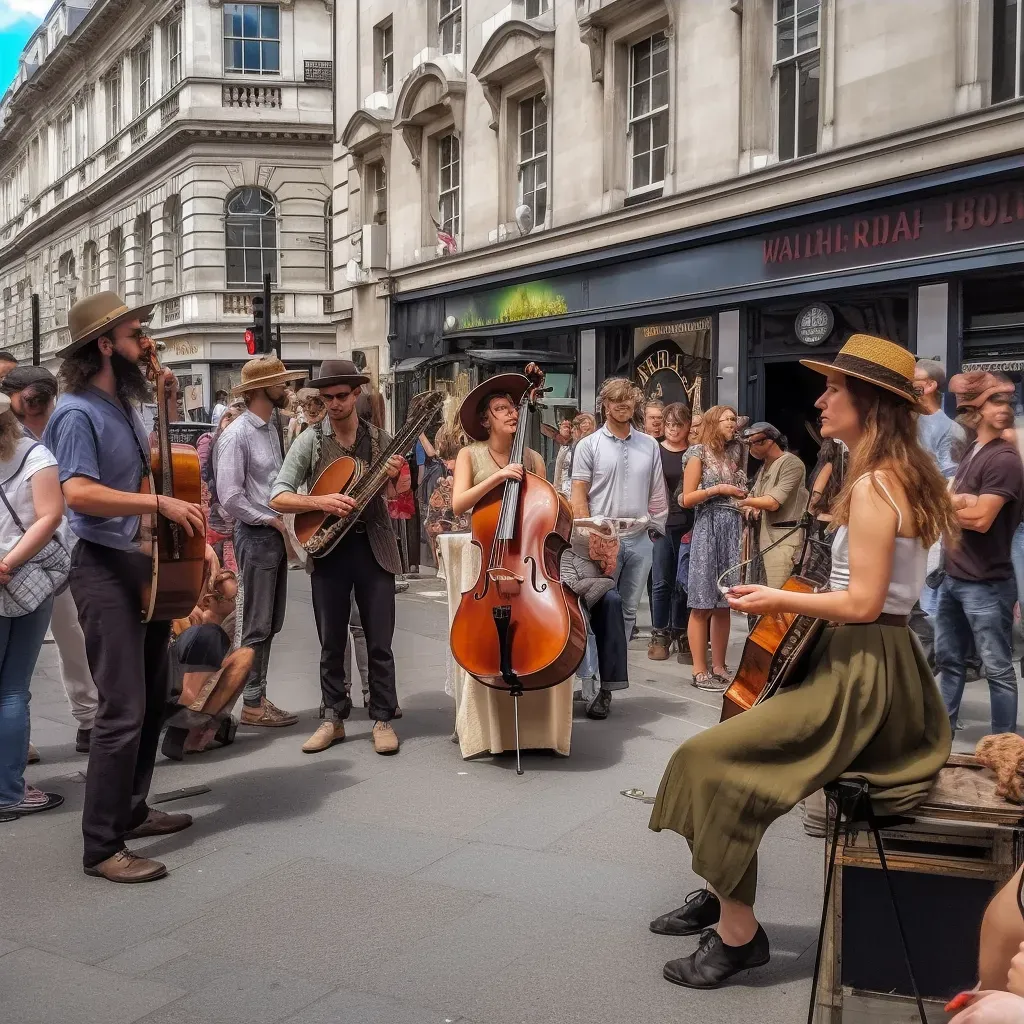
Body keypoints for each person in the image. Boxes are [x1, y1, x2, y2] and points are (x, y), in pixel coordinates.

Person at [649, 333, 957, 988]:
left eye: (835, 389)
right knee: (724, 746)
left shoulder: (876, 484)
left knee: (710, 761)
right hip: (871, 662)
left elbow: (867, 601)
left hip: (862, 672)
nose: (821, 399)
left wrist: (772, 597)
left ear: (867, 402)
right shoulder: (891, 475)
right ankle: (721, 889)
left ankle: (738, 936)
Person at [44, 291, 207, 882]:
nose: (147, 345)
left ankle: (133, 810)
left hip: (141, 562)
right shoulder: (75, 412)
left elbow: (148, 470)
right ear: (106, 345)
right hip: (102, 567)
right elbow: (79, 492)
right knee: (121, 709)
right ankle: (101, 845)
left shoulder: (123, 406)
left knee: (157, 695)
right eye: (137, 335)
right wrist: (157, 500)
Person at [451, 367, 625, 742]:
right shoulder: (471, 454)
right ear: (485, 419)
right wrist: (498, 477)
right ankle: (479, 723)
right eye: (501, 408)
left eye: (514, 407)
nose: (512, 412)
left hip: (528, 565)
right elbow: (458, 505)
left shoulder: (533, 458)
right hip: (490, 561)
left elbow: (548, 518)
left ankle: (541, 723)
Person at [270, 360, 405, 756]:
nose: (334, 404)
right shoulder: (310, 441)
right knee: (331, 640)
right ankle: (333, 717)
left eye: (341, 396)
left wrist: (396, 477)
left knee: (379, 639)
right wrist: (318, 500)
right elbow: (277, 494)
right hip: (328, 551)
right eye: (326, 398)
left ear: (356, 394)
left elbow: (397, 497)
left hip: (374, 548)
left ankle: (381, 716)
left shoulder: (382, 439)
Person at [2, 366, 97, 753]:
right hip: (30, 553)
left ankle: (88, 717)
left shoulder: (67, 425)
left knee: (70, 634)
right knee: (14, 676)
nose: (33, 411)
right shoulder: (17, 437)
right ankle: (14, 749)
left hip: (55, 556)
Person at [570, 377, 668, 718]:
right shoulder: (589, 445)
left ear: (635, 404)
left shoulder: (649, 445)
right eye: (615, 400)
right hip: (600, 538)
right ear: (605, 405)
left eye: (627, 400)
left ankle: (608, 683)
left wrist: (655, 529)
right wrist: (588, 533)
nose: (622, 405)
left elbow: (657, 492)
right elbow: (579, 494)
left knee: (627, 613)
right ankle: (590, 683)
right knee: (596, 609)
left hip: (639, 537)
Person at [217, 356, 304, 730]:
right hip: (256, 534)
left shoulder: (270, 428)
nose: (286, 389)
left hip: (270, 533)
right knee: (256, 623)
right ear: (259, 390)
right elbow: (230, 496)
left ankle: (256, 697)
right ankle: (250, 701)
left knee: (269, 622)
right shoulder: (238, 434)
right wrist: (270, 519)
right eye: (280, 384)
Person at [937, 371, 1024, 736]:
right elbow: (956, 503)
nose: (1005, 409)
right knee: (950, 662)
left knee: (998, 668)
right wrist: (957, 502)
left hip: (986, 583)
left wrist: (948, 505)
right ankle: (942, 733)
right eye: (995, 401)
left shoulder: (1004, 459)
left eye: (1006, 402)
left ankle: (1003, 744)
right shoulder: (975, 449)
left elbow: (981, 519)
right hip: (952, 577)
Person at [0, 391, 65, 817]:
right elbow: (50, 515)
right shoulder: (33, 457)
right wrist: (8, 562)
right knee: (11, 689)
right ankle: (9, 792)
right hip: (24, 577)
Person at [680, 405, 746, 691]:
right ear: (712, 423)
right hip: (707, 526)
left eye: (734, 419)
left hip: (732, 527)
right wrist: (718, 490)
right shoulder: (697, 453)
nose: (733, 423)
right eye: (727, 419)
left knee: (725, 603)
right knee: (702, 601)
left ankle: (719, 665)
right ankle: (698, 669)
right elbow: (686, 498)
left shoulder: (735, 452)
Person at [738, 421, 809, 589]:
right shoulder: (765, 466)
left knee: (778, 596)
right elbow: (755, 496)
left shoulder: (791, 463)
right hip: (764, 540)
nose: (750, 449)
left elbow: (772, 502)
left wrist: (741, 501)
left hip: (783, 541)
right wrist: (750, 504)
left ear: (768, 441)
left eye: (751, 443)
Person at [649, 403, 692, 661]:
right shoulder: (655, 450)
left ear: (688, 426)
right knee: (661, 581)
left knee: (684, 581)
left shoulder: (695, 452)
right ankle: (660, 633)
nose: (674, 429)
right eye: (670, 424)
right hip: (662, 523)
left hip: (690, 522)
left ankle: (682, 631)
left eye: (679, 424)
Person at [915, 358, 965, 478]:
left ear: (930, 385)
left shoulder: (950, 429)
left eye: (914, 380)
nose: (908, 384)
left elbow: (951, 477)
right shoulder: (904, 419)